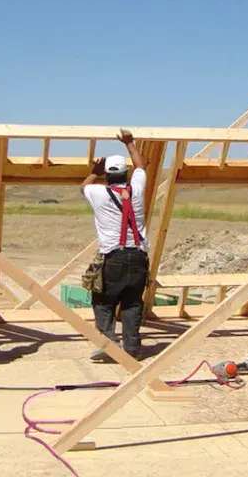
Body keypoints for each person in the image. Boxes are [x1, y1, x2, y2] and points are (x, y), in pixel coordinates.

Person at [81, 129, 149, 361]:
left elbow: (84, 187)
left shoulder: (98, 192)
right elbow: (141, 168)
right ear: (125, 173)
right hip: (139, 257)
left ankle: (109, 343)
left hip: (113, 257)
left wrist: (94, 172)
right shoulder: (137, 190)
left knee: (103, 300)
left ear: (107, 176)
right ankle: (132, 348)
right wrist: (130, 143)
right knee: (132, 304)